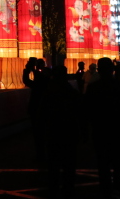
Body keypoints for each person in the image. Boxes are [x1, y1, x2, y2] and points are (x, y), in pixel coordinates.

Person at [85, 57, 120, 199]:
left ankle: (105, 189)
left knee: (103, 163)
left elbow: (88, 110)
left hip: (100, 130)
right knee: (119, 162)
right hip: (118, 130)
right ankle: (118, 188)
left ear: (99, 70)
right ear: (112, 70)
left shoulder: (93, 88)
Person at [44, 65, 82, 198]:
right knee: (69, 164)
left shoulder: (48, 92)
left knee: (53, 164)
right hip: (69, 131)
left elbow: (42, 113)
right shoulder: (71, 92)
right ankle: (68, 189)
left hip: (53, 131)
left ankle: (53, 189)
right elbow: (80, 112)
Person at [22, 57, 49, 162]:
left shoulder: (40, 83)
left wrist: (30, 69)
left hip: (37, 109)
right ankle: (43, 154)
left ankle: (41, 154)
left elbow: (27, 80)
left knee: (39, 134)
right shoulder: (44, 81)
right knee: (41, 133)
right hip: (41, 110)